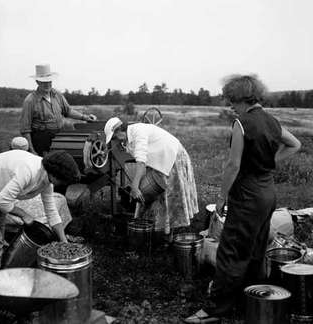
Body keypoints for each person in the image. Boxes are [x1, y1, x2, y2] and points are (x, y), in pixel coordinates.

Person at [184, 75, 301, 323]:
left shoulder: (242, 123)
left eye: (231, 101)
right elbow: (295, 144)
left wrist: (221, 197)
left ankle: (216, 310)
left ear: (241, 98)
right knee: (256, 248)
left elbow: (233, 165)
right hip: (267, 193)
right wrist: (268, 164)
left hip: (248, 194)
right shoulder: (272, 121)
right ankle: (250, 298)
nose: (230, 106)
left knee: (232, 250)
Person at [0, 149, 81, 271]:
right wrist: (23, 214)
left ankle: (2, 268)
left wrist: (63, 240)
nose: (62, 184)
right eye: (62, 181)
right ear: (55, 174)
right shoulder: (29, 171)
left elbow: (51, 212)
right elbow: (1, 202)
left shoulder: (47, 180)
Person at [104, 117, 198, 234]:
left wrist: (134, 186)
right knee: (152, 195)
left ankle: (171, 234)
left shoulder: (138, 132)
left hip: (173, 157)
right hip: (160, 160)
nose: (116, 141)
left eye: (114, 137)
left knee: (170, 196)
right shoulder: (129, 137)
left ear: (118, 130)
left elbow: (141, 163)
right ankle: (156, 229)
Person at [20, 64, 97, 156]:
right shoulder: (30, 100)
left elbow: (68, 111)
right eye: (44, 82)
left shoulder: (57, 95)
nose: (47, 84)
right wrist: (32, 151)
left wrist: (85, 117)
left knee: (59, 164)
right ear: (37, 82)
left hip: (59, 136)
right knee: (43, 166)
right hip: (40, 140)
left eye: (49, 81)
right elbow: (25, 129)